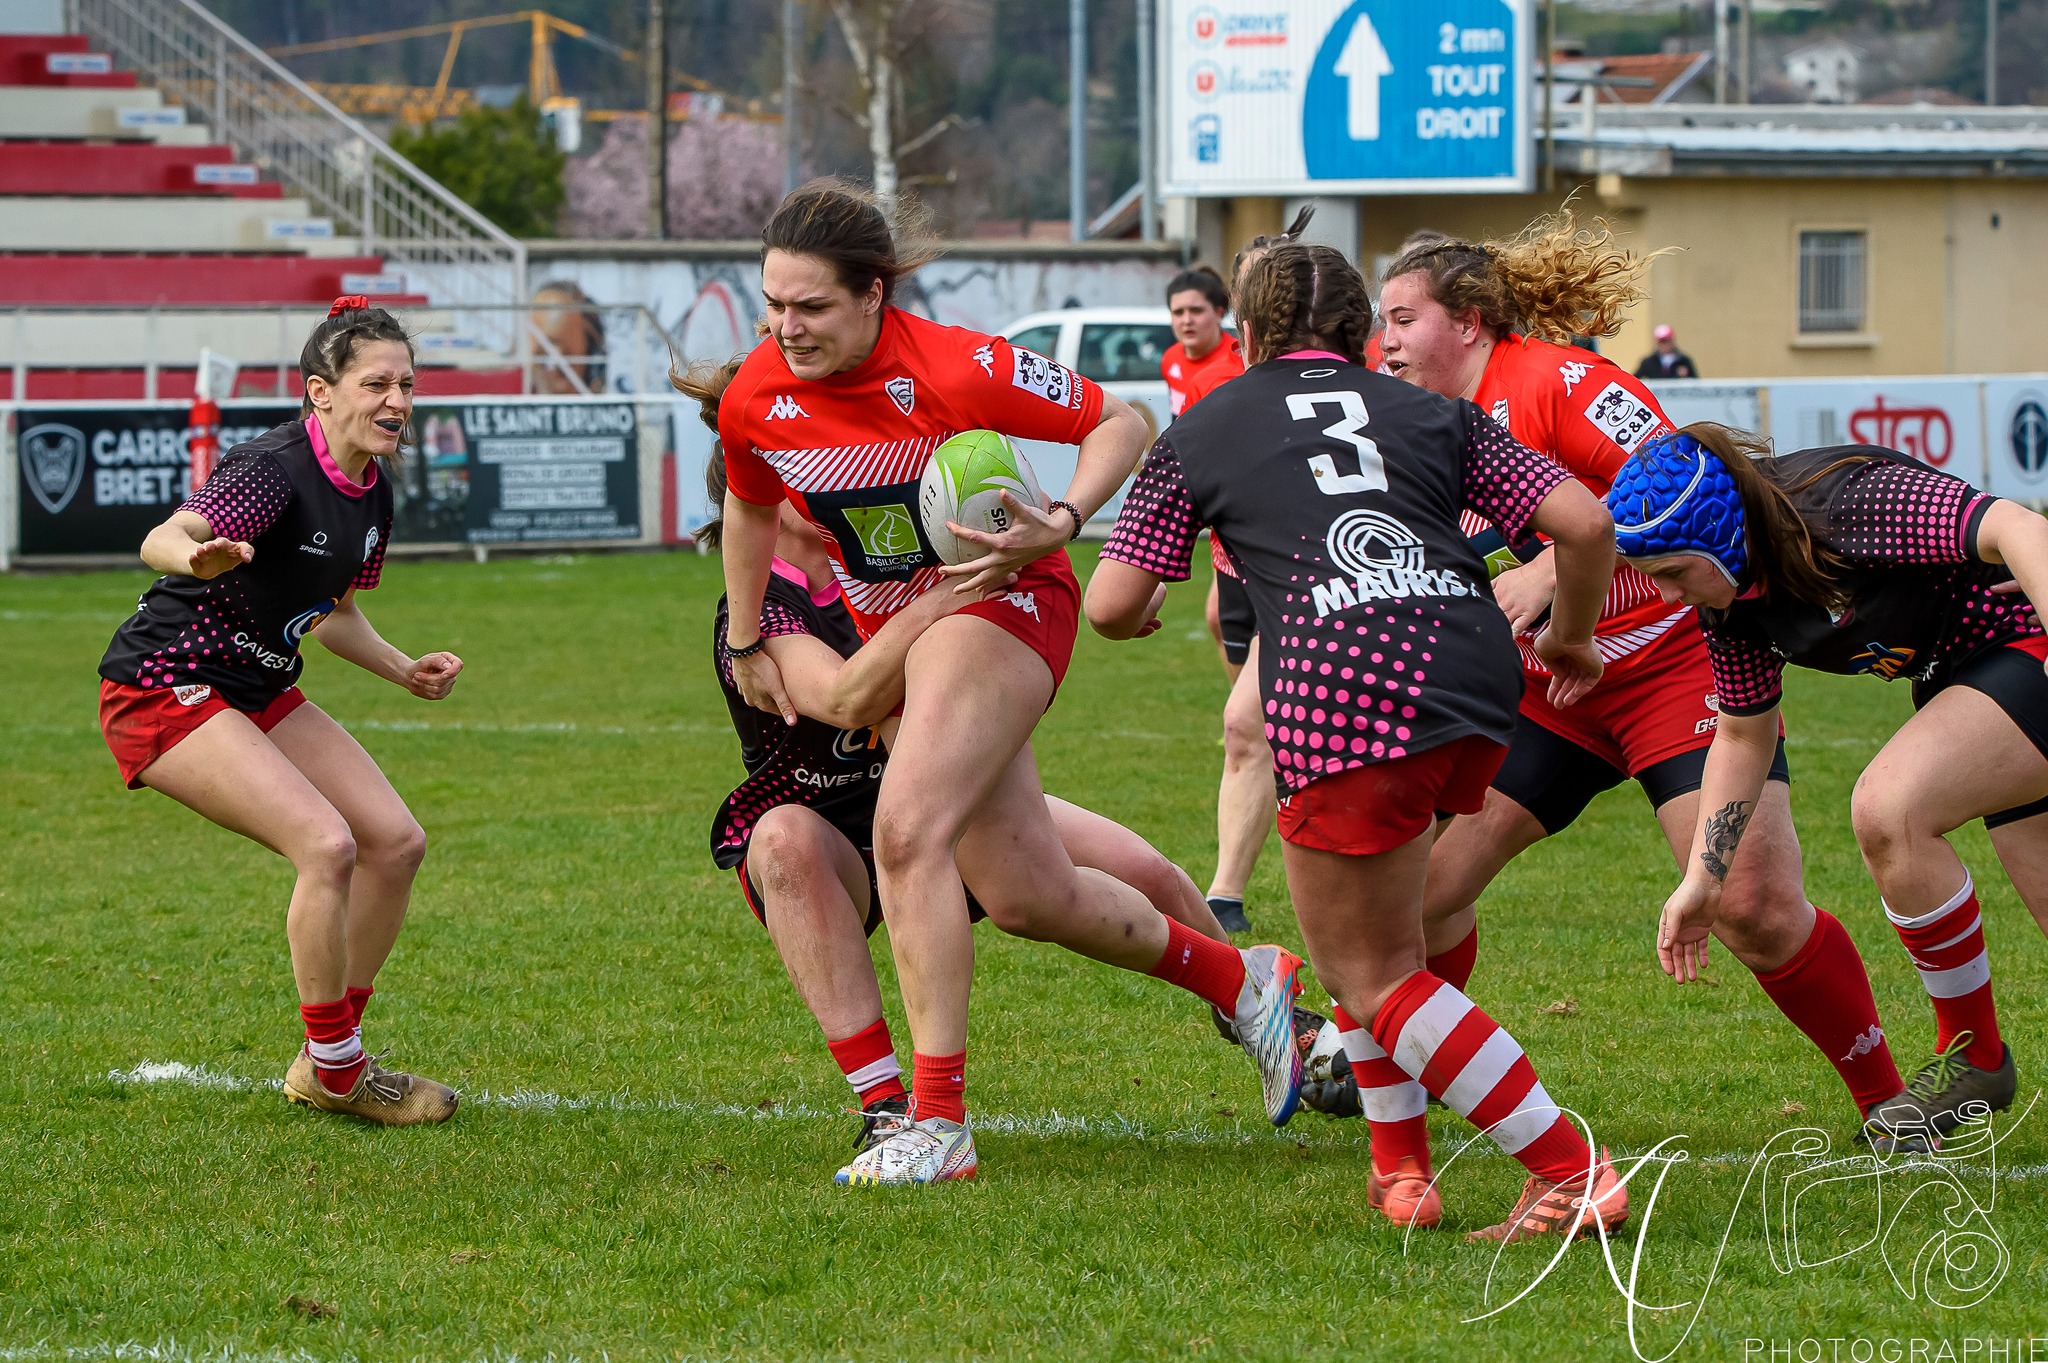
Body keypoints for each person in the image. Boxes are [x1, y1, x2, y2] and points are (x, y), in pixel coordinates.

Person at [714, 181, 1306, 1186]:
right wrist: (742, 635)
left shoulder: (955, 362)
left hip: (1005, 596)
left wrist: (1066, 516)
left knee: (905, 832)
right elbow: (748, 504)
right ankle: (1244, 979)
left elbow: (1118, 421)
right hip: (901, 627)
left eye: (809, 307)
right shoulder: (755, 394)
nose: (785, 328)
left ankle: (935, 1123)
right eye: (772, 304)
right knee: (1026, 891)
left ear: (873, 296)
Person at [1087, 242, 1632, 1243]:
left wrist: (1140, 615)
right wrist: (1568, 634)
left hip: (1345, 692)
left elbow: (1111, 605)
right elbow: (1586, 525)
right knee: (1385, 948)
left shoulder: (1202, 426)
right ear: (1362, 335)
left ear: (1246, 336)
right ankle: (1400, 1170)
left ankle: (1570, 1169)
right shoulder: (1435, 410)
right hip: (1471, 671)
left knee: (1369, 972)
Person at [1351, 216, 1909, 1153]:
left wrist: (1556, 571)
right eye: (1380, 323)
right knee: (1420, 893)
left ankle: (1890, 1101)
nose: (1387, 341)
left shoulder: (1562, 382)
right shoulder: (1414, 422)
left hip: (1670, 668)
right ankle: (1406, 1068)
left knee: (1753, 908)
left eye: (1403, 318)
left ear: (1472, 322)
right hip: (1548, 694)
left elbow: (1690, 492)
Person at [687, 426, 1296, 1151]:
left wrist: (1107, 575)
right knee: (783, 842)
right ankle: (887, 1104)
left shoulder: (891, 538)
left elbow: (1017, 543)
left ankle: (1266, 1012)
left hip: (949, 795)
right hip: (838, 832)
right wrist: (941, 604)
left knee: (1148, 875)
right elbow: (850, 700)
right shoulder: (753, 614)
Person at [1612, 425, 2042, 1146]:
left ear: (1721, 536)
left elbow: (2015, 523)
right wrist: (1703, 878)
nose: (1666, 593)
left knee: (1891, 809)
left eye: (1674, 571)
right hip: (1964, 676)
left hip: (2026, 643)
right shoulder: (1728, 604)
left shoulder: (1844, 503)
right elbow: (1744, 732)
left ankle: (1974, 1057)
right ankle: (1982, 1060)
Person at [95, 297, 463, 1126]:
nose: (398, 401)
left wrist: (405, 670)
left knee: (396, 843)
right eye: (377, 383)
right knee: (325, 844)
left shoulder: (373, 489)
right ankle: (338, 1071)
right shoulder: (273, 470)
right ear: (319, 392)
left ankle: (325, 1053)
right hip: (165, 682)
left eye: (406, 383)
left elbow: (331, 612)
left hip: (254, 686)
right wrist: (195, 554)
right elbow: (167, 533)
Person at [1160, 265, 1262, 934]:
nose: (1186, 322)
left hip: (1272, 565)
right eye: (1178, 311)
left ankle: (1224, 892)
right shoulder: (1178, 366)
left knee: (1246, 728)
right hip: (1226, 560)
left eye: (1197, 310)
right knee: (1252, 724)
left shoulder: (1240, 373)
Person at [1634, 324, 1698, 380]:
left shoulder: (1684, 360)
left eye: (1666, 341)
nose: (1664, 345)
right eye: (1661, 341)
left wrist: (1685, 377)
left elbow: (1695, 382)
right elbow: (1635, 378)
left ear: (1672, 341)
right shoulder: (1648, 362)